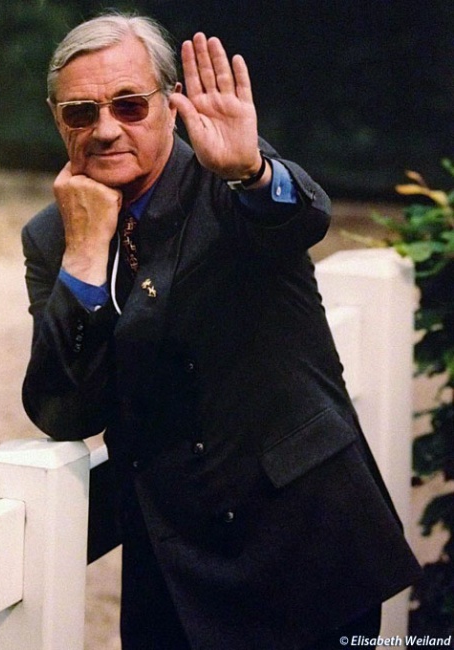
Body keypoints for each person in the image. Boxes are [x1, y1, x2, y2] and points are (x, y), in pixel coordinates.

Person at [21, 11, 421, 650]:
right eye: (80, 112)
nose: (104, 129)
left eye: (129, 105)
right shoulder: (52, 235)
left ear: (170, 106)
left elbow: (301, 215)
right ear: (55, 117)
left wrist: (251, 171)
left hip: (302, 552)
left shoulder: (228, 181)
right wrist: (83, 259)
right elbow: (63, 411)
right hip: (173, 575)